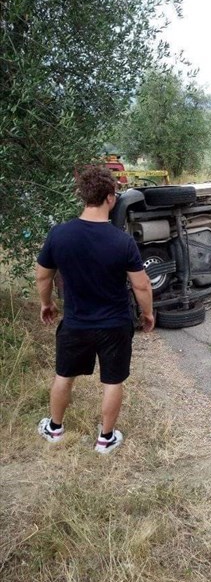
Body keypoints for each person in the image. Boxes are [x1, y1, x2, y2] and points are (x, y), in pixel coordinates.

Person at [36, 165, 155, 454]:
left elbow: (43, 275)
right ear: (111, 198)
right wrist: (148, 314)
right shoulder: (122, 241)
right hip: (114, 324)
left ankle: (55, 428)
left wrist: (46, 303)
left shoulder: (59, 235)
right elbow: (141, 286)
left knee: (64, 375)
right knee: (112, 380)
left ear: (83, 197)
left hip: (76, 323)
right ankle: (105, 439)